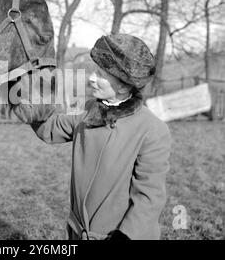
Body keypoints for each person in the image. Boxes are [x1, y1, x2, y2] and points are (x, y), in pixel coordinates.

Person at [12, 33, 172, 240]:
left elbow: (149, 197)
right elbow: (51, 128)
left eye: (102, 75)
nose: (92, 78)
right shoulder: (91, 111)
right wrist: (25, 102)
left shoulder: (152, 130)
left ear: (123, 86)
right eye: (95, 71)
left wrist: (124, 237)